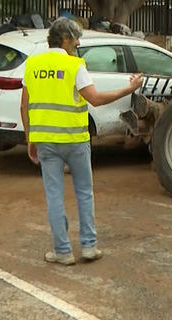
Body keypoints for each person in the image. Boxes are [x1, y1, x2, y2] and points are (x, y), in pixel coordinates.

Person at [20, 17, 143, 266]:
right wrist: (129, 90)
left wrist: (29, 138)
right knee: (84, 193)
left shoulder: (32, 65)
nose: (78, 43)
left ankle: (62, 252)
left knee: (54, 196)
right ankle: (89, 246)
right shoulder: (75, 65)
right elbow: (95, 99)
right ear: (65, 39)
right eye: (75, 38)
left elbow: (25, 105)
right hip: (75, 139)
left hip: (45, 140)